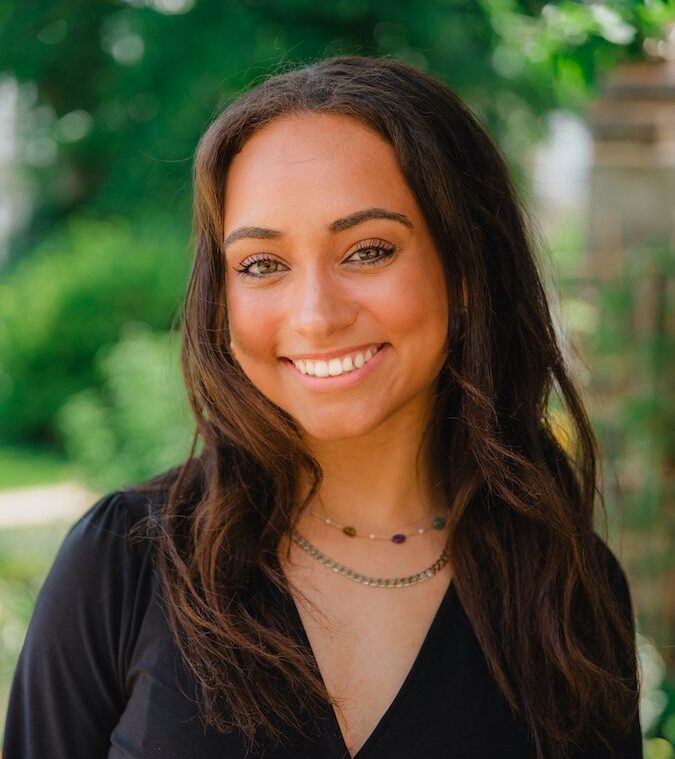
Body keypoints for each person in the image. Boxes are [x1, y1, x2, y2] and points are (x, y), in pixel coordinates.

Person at [3, 56, 642, 759]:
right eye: (261, 264)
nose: (314, 316)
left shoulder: (566, 587)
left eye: (367, 250)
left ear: (465, 269)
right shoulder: (123, 563)